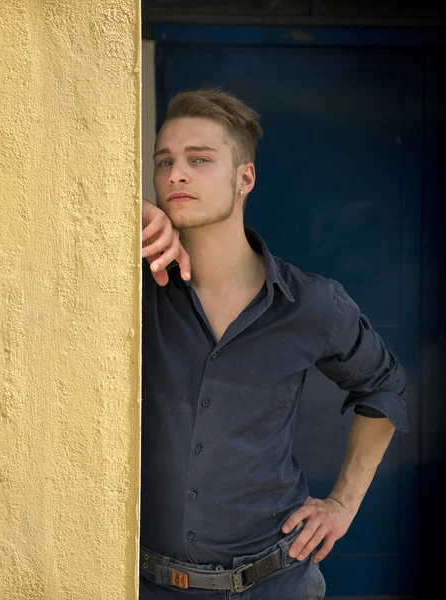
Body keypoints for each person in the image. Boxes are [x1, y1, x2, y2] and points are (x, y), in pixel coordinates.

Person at [140, 89, 408, 599]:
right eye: (164, 161)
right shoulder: (132, 289)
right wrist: (125, 213)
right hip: (147, 584)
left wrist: (344, 503)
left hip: (275, 582)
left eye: (200, 160)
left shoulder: (311, 304)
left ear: (246, 178)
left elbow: (385, 385)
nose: (176, 174)